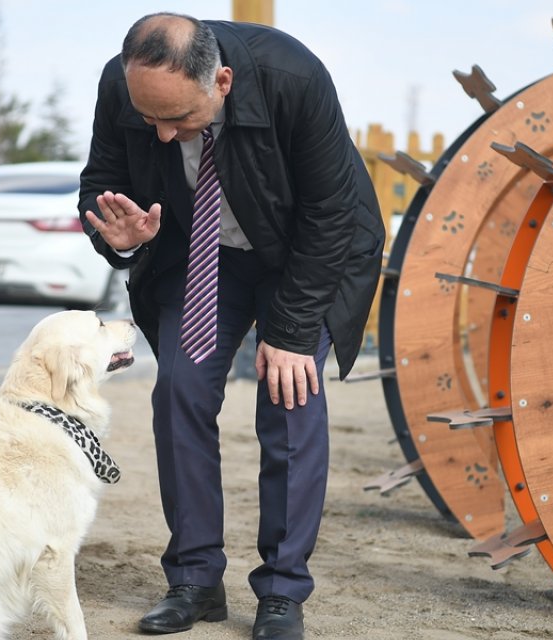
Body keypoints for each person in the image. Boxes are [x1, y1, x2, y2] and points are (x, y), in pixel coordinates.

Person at [78, 13, 384, 640]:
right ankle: (194, 581)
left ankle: (281, 592)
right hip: (201, 256)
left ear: (221, 80)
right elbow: (100, 184)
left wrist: (294, 331)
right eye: (149, 120)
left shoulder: (292, 77)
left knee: (289, 398)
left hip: (306, 254)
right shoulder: (124, 84)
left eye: (178, 120)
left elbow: (332, 212)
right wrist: (116, 234)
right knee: (181, 393)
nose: (161, 136)